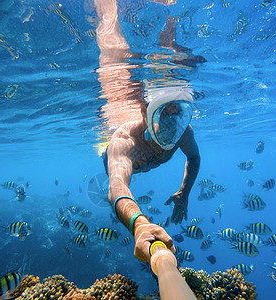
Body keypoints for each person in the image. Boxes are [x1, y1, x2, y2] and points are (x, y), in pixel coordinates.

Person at [94, 0, 201, 264]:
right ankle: (107, 8)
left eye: (178, 114)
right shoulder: (125, 141)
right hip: (110, 149)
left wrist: (184, 193)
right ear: (145, 111)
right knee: (114, 48)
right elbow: (117, 186)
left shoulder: (183, 132)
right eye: (164, 114)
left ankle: (170, 16)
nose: (172, 125)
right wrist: (139, 224)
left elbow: (194, 158)